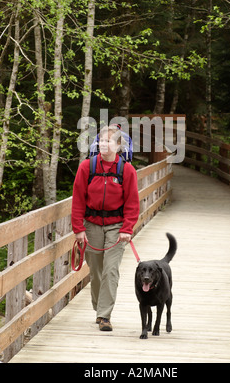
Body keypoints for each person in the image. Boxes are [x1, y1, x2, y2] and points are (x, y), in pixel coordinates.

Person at [71, 125, 140, 331]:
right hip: (91, 225)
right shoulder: (87, 167)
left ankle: (104, 315)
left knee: (111, 270)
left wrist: (127, 228)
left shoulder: (126, 170)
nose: (103, 144)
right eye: (101, 141)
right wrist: (78, 228)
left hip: (116, 227)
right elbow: (78, 200)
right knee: (96, 271)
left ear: (118, 146)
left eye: (108, 141)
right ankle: (99, 308)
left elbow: (132, 203)